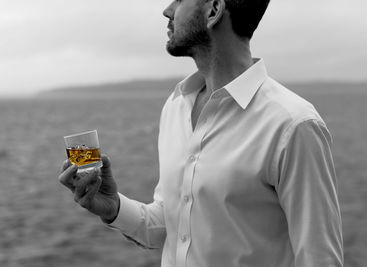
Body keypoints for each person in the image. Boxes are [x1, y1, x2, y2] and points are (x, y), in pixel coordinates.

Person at [58, 0, 344, 266]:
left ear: (214, 10)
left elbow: (320, 259)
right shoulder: (176, 106)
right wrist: (112, 207)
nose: (167, 10)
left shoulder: (293, 125)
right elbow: (172, 227)